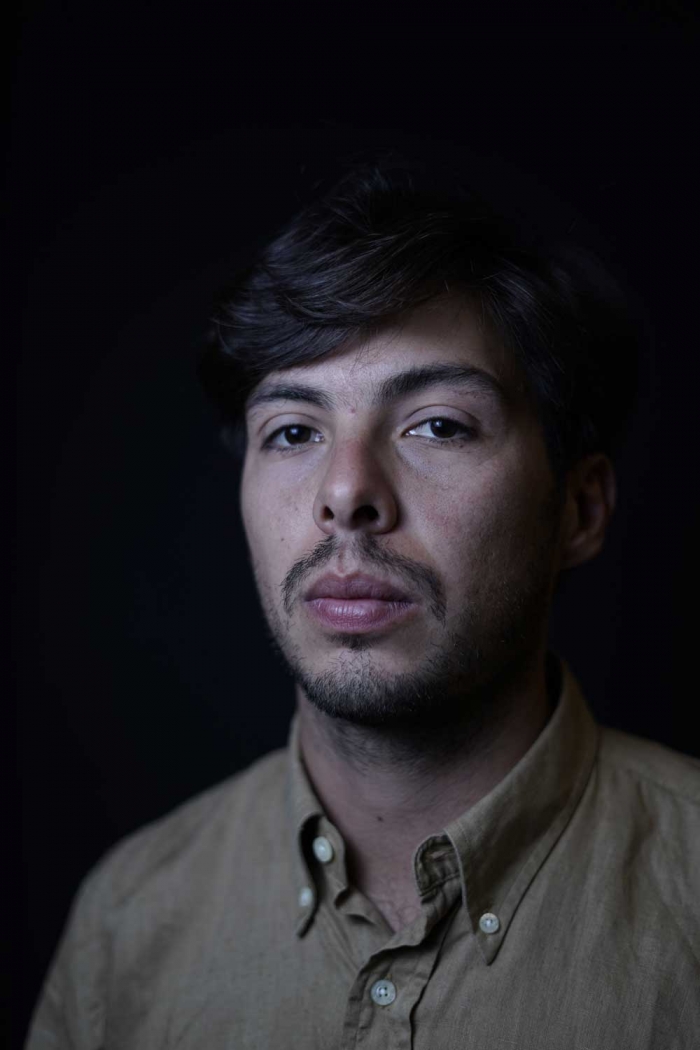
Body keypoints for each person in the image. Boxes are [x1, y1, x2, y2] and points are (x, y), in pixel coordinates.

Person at [26, 160, 700, 1049]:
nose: (345, 493)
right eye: (293, 431)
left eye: (438, 424)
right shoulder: (129, 920)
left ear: (579, 510)